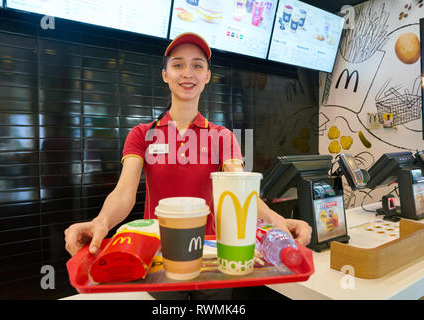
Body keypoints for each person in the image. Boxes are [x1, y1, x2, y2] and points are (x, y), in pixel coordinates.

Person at [64, 32, 312, 300]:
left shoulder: (222, 136)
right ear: (165, 74)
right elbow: (124, 193)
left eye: (197, 65)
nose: (188, 73)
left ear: (207, 76)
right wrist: (101, 221)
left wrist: (276, 220)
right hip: (161, 257)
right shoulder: (142, 134)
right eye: (178, 64)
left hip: (213, 257)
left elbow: (242, 192)